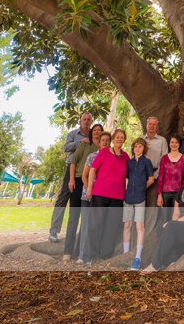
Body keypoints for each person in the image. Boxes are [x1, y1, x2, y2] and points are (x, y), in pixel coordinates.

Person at [141, 163, 184, 273]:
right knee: (161, 227)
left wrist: (174, 223)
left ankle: (155, 264)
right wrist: (173, 222)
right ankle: (171, 261)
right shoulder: (181, 191)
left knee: (171, 226)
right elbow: (176, 212)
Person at [86, 128, 129, 263]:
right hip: (100, 193)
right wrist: (89, 189)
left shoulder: (126, 156)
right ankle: (91, 255)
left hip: (117, 196)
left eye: (122, 137)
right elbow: (93, 170)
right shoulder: (104, 152)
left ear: (124, 140)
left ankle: (106, 255)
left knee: (112, 226)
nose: (119, 139)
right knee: (96, 224)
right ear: (113, 139)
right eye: (117, 137)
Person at [63, 122, 103, 261]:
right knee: (74, 216)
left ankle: (82, 251)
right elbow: (73, 162)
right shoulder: (85, 144)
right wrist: (71, 180)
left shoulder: (104, 148)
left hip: (96, 185)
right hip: (79, 181)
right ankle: (67, 251)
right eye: (95, 130)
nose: (97, 132)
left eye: (100, 130)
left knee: (87, 220)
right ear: (91, 132)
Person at [49, 112, 92, 242]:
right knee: (63, 197)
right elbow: (66, 147)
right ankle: (54, 232)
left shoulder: (93, 134)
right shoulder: (73, 134)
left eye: (88, 119)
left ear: (91, 121)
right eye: (84, 119)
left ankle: (83, 235)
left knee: (86, 200)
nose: (86, 121)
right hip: (72, 169)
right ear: (80, 121)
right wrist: (80, 142)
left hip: (88, 171)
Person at [77, 131, 110, 264]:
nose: (105, 142)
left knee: (97, 226)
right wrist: (90, 189)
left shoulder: (111, 156)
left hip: (101, 196)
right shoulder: (92, 156)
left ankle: (92, 254)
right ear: (99, 142)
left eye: (108, 140)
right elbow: (84, 175)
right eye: (103, 140)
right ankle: (82, 255)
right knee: (86, 225)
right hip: (89, 195)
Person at [123, 138, 154, 271]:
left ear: (143, 148)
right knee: (127, 225)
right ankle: (125, 254)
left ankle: (137, 256)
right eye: (135, 146)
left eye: (140, 146)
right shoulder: (129, 163)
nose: (137, 149)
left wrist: (142, 188)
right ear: (133, 148)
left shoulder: (146, 162)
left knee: (139, 225)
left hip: (140, 197)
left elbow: (151, 179)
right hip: (128, 196)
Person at [157, 135, 184, 222]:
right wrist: (159, 195)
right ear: (169, 144)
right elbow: (160, 177)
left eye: (176, 142)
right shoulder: (164, 158)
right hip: (165, 193)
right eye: (172, 142)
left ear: (179, 144)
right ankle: (164, 234)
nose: (174, 144)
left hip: (178, 192)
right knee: (165, 218)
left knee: (176, 217)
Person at [143, 117, 168, 208]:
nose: (152, 126)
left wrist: (154, 176)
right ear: (146, 125)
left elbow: (164, 160)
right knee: (140, 204)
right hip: (142, 176)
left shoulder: (162, 141)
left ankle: (151, 223)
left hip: (156, 176)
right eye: (150, 124)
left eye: (154, 124)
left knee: (152, 205)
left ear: (157, 127)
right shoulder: (141, 140)